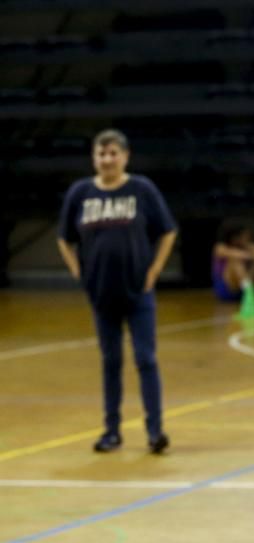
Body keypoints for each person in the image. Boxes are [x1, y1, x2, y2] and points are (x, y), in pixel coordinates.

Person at [56, 129, 175, 454]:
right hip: (100, 293)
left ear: (125, 156)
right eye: (101, 153)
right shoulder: (81, 192)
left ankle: (155, 431)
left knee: (145, 359)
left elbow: (167, 231)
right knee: (110, 361)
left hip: (138, 291)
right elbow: (64, 238)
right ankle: (111, 431)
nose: (107, 159)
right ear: (94, 158)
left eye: (113, 153)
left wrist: (153, 270)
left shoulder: (141, 189)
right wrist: (77, 270)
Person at [212, 220, 254, 301]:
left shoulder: (248, 246)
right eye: (245, 236)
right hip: (228, 289)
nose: (248, 238)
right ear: (235, 238)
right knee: (235, 261)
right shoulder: (220, 247)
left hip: (245, 285)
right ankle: (248, 290)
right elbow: (236, 254)